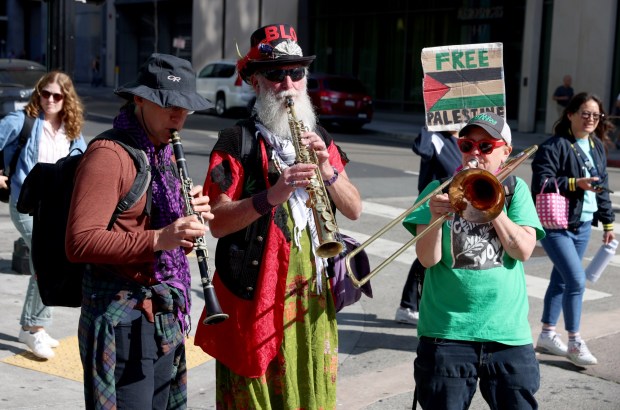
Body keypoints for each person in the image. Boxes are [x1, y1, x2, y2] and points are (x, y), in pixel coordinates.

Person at [193, 23, 362, 409]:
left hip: (313, 297)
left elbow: (353, 208)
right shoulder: (235, 141)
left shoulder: (321, 136)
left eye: (296, 72)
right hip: (255, 297)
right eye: (275, 73)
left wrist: (328, 170)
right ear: (254, 81)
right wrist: (272, 195)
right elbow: (216, 222)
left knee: (309, 387)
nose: (287, 83)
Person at [65, 53, 214, 409]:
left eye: (185, 108)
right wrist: (160, 237)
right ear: (140, 99)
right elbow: (79, 242)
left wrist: (184, 225)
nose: (178, 117)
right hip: (123, 320)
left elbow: (164, 246)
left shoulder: (161, 152)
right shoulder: (109, 154)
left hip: (162, 315)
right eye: (169, 106)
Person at [403, 112, 545, 409]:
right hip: (446, 332)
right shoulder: (437, 191)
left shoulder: (514, 191)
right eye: (467, 145)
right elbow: (428, 260)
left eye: (485, 147)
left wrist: (494, 207)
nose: (475, 154)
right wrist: (434, 217)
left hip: (507, 333)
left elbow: (523, 251)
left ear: (506, 151)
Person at [0, 71, 87, 359]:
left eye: (57, 96)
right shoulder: (21, 121)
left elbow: (84, 163)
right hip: (24, 203)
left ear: (66, 100)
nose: (50, 100)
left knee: (48, 261)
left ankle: (35, 325)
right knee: (47, 260)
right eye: (45, 93)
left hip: (54, 208)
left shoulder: (73, 131)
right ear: (39, 94)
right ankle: (32, 327)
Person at [531, 92, 615, 367]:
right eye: (585, 113)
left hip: (582, 225)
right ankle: (575, 341)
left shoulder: (597, 146)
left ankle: (546, 334)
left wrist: (608, 223)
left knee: (562, 280)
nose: (591, 119)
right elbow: (541, 182)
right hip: (557, 224)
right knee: (576, 281)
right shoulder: (554, 146)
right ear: (570, 114)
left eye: (596, 115)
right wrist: (573, 184)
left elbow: (601, 187)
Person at [395, 126, 460, 325]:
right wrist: (431, 125)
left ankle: (412, 305)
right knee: (425, 256)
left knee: (442, 253)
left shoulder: (464, 141)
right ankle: (408, 305)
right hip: (431, 203)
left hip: (453, 204)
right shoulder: (436, 137)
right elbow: (421, 148)